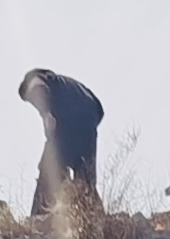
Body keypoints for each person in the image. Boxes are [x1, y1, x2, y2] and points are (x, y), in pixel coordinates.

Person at [18, 69, 105, 217]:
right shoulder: (68, 84)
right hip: (89, 124)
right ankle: (95, 221)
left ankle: (38, 219)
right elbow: (99, 110)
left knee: (49, 171)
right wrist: (86, 130)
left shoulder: (35, 78)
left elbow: (38, 87)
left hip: (66, 122)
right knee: (85, 183)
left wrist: (46, 112)